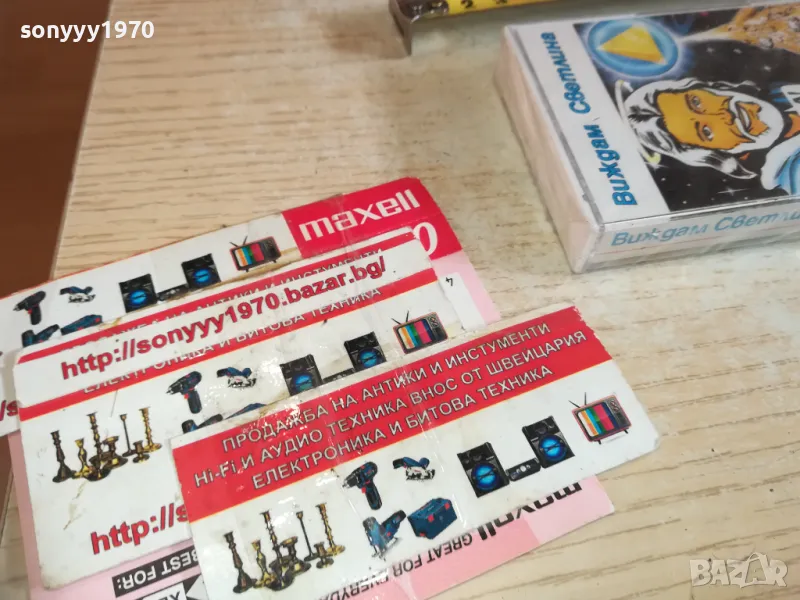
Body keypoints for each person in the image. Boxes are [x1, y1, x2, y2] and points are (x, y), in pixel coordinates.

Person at [616, 78, 800, 194]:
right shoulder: (790, 175)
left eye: (696, 102)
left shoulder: (781, 90)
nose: (725, 115)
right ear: (718, 153)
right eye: (706, 131)